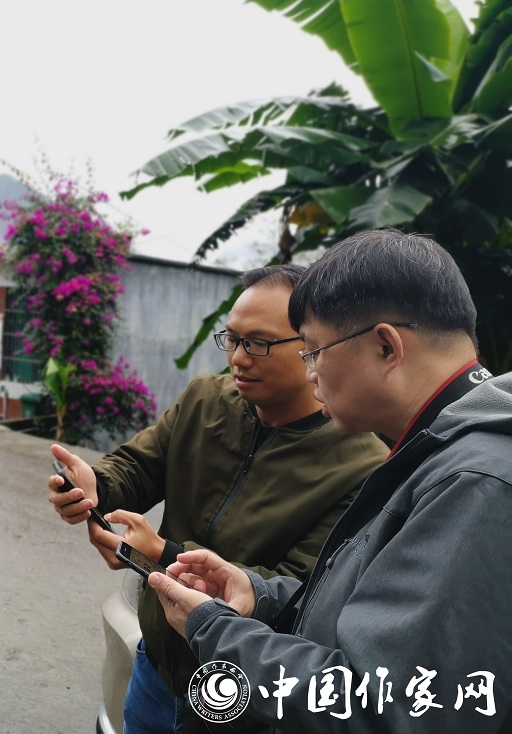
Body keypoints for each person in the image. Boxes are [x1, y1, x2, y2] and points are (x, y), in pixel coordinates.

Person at [148, 229, 512, 732]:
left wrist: (213, 629)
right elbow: (372, 617)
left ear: (386, 346)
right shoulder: (437, 451)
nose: (311, 373)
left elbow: (383, 706)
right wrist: (261, 594)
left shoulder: (475, 483)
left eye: (315, 351)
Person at [48, 265, 387, 733]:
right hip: (158, 666)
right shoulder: (206, 400)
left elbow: (301, 593)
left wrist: (164, 555)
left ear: (312, 345)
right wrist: (95, 487)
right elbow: (140, 465)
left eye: (259, 343)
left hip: (242, 697)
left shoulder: (361, 464)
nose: (239, 358)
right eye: (232, 339)